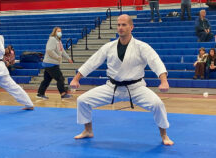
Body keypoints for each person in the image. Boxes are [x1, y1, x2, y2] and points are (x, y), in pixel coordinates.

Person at [70, 14, 174, 145]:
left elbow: (156, 62)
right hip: (112, 87)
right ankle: (88, 130)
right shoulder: (109, 46)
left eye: (124, 25)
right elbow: (92, 62)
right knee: (82, 100)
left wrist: (163, 81)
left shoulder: (142, 47)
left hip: (136, 88)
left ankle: (164, 135)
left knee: (157, 104)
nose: (120, 27)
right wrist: (76, 79)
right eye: (118, 25)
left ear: (131, 27)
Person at [36, 27, 73, 100]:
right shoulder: (52, 39)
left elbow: (62, 51)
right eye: (58, 31)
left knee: (46, 80)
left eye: (60, 31)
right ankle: (63, 94)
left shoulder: (58, 40)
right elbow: (49, 50)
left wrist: (68, 58)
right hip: (51, 63)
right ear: (54, 32)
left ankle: (40, 93)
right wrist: (57, 57)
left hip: (50, 63)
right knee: (60, 78)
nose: (60, 33)